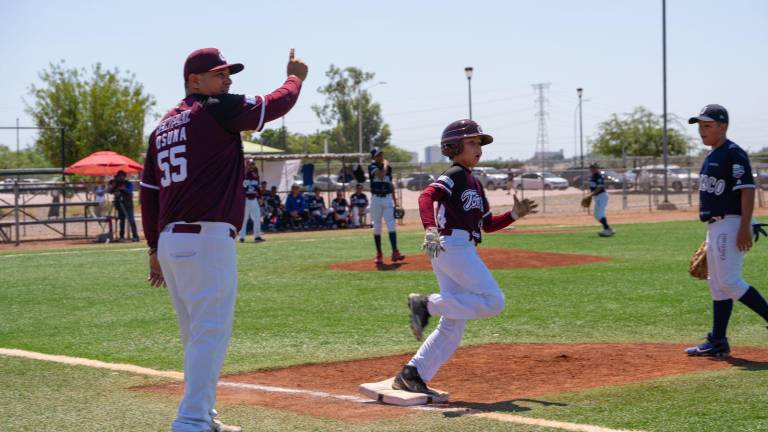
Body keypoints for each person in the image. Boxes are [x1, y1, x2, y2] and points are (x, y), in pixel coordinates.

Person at [139, 47, 307, 432]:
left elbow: (149, 191)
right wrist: (295, 77)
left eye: (228, 73)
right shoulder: (213, 106)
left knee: (197, 337)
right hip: (206, 238)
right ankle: (191, 421)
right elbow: (275, 104)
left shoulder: (163, 125)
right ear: (194, 81)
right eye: (218, 73)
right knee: (209, 334)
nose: (227, 79)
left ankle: (204, 416)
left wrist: (152, 247)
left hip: (172, 240)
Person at [390, 119, 537, 396]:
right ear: (454, 146)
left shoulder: (474, 183)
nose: (478, 147)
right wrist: (430, 231)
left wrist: (514, 215)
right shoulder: (456, 173)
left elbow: (487, 224)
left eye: (479, 142)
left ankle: (412, 373)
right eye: (471, 142)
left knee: (452, 325)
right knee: (493, 302)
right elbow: (426, 197)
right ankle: (425, 304)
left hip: (459, 247)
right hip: (451, 245)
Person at [685, 104, 768, 357]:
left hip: (732, 222)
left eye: (707, 126)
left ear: (723, 126)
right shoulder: (713, 154)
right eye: (700, 126)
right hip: (717, 225)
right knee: (717, 285)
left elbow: (747, 189)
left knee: (729, 282)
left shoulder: (733, 153)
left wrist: (744, 226)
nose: (702, 131)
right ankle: (718, 341)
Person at [369, 147, 404, 264]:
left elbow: (390, 185)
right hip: (376, 200)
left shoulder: (388, 168)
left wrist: (396, 202)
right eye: (378, 155)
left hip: (387, 198)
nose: (381, 156)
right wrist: (385, 164)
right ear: (373, 157)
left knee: (391, 225)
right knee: (377, 227)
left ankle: (395, 252)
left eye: (381, 154)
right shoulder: (372, 166)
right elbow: (381, 175)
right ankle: (379, 254)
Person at [108, 170, 140, 241]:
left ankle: (135, 236)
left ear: (124, 176)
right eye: (118, 176)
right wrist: (112, 187)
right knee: (121, 221)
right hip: (119, 204)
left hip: (128, 204)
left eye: (121, 176)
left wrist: (123, 189)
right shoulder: (115, 183)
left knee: (131, 220)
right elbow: (109, 191)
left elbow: (130, 191)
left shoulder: (127, 183)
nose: (120, 178)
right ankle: (121, 236)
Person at [584, 163, 614, 237]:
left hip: (602, 196)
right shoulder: (592, 176)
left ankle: (607, 230)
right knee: (596, 215)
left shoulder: (599, 176)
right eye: (591, 167)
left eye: (594, 167)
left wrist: (590, 195)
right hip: (597, 197)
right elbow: (592, 188)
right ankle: (609, 229)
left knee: (600, 214)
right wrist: (590, 195)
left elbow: (600, 187)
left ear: (597, 168)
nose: (592, 169)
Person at [239, 160, 264, 242]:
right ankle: (242, 237)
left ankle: (257, 236)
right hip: (245, 200)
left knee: (257, 218)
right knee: (244, 219)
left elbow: (258, 188)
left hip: (254, 199)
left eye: (253, 164)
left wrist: (260, 197)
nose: (252, 166)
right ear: (247, 165)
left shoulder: (256, 175)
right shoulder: (243, 175)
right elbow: (240, 188)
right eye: (250, 164)